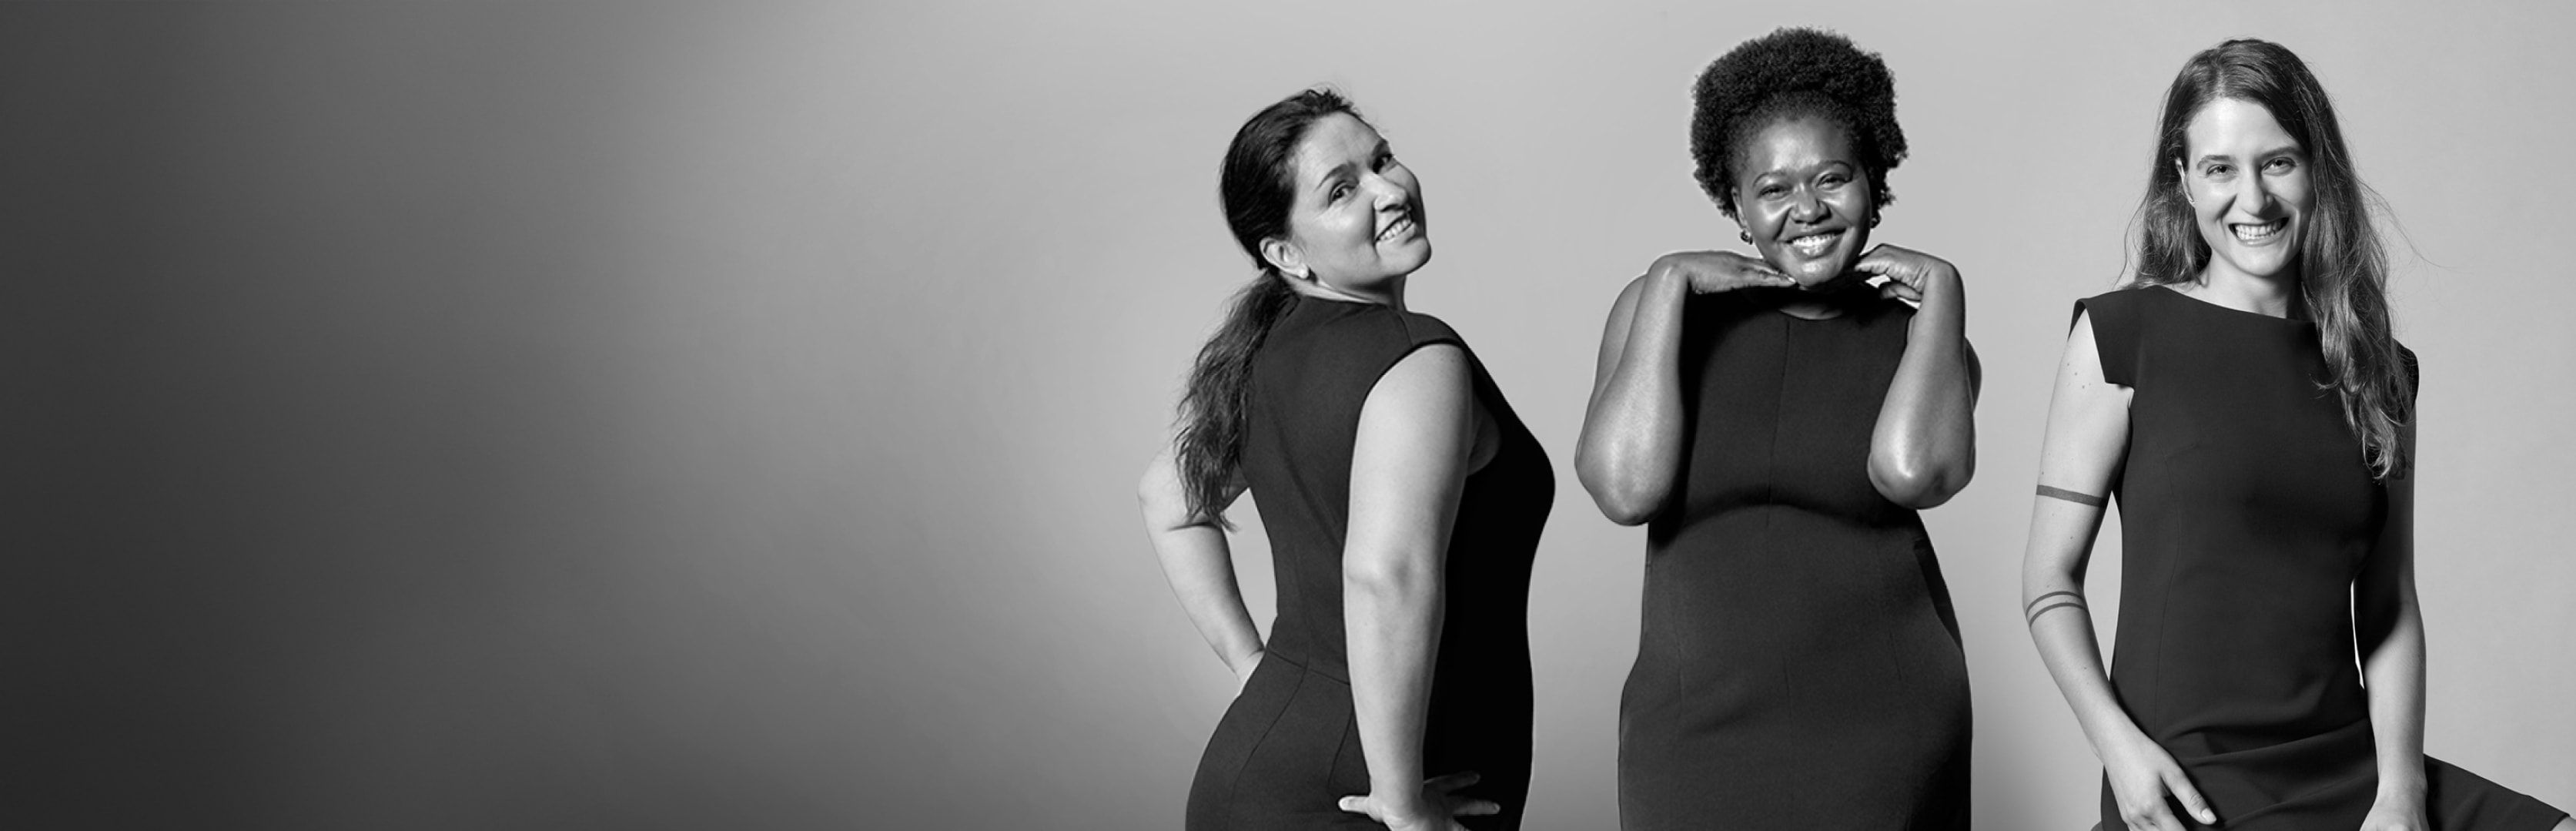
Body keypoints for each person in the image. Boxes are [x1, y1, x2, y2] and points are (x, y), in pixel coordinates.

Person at [2022, 38, 2571, 831]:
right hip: (2192, 774)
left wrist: (2400, 794)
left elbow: (2386, 606)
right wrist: (2121, 754)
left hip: (2352, 761)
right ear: (2181, 180)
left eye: (2277, 162)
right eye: (2219, 168)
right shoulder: (2121, 337)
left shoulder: (2379, 368)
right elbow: (2047, 582)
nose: (2253, 198)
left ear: (2318, 168)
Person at [1574, 28, 1979, 829]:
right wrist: (1666, 284)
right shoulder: (1660, 311)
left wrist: (1945, 291)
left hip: (1885, 723)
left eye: (1834, 178)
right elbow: (1624, 489)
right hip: (1692, 727)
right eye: (1774, 188)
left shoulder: (1925, 337)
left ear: (1874, 184)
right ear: (1734, 206)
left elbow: (1913, 473)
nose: (1808, 210)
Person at [1136, 89, 1553, 831]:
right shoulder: (1417, 358)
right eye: (1341, 190)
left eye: (1382, 160)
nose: (1389, 191)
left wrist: (1253, 669)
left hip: (1272, 765)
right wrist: (1401, 802)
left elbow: (1167, 498)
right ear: (1286, 252)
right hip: (1367, 794)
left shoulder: (1270, 350)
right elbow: (1382, 575)